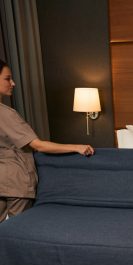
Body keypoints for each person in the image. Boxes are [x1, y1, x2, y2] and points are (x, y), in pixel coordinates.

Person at [0, 59, 95, 222]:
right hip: (16, 184)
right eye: (8, 79)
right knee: (19, 232)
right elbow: (38, 145)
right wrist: (76, 147)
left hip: (3, 182)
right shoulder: (5, 114)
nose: (13, 83)